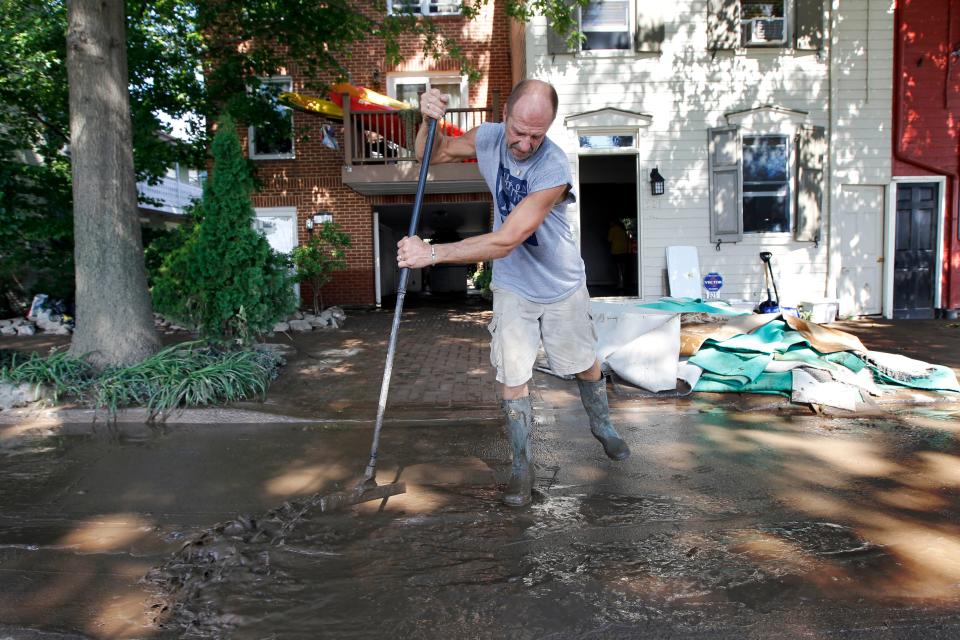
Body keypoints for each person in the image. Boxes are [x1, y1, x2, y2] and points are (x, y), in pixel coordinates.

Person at [397, 80, 630, 508]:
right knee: (512, 372)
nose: (524, 143)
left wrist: (431, 253)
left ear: (550, 129)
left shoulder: (553, 168)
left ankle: (603, 425)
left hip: (561, 285)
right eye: (518, 131)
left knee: (582, 362)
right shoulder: (488, 137)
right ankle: (522, 465)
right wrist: (427, 120)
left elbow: (507, 239)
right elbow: (430, 153)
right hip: (513, 284)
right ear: (504, 114)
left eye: (536, 135)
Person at [607, 218, 629, 290]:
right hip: (624, 250)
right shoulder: (623, 229)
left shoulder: (612, 229)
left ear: (613, 223)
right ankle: (624, 282)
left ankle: (620, 283)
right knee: (623, 267)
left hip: (616, 251)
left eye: (610, 222)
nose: (609, 224)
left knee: (618, 267)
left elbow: (609, 240)